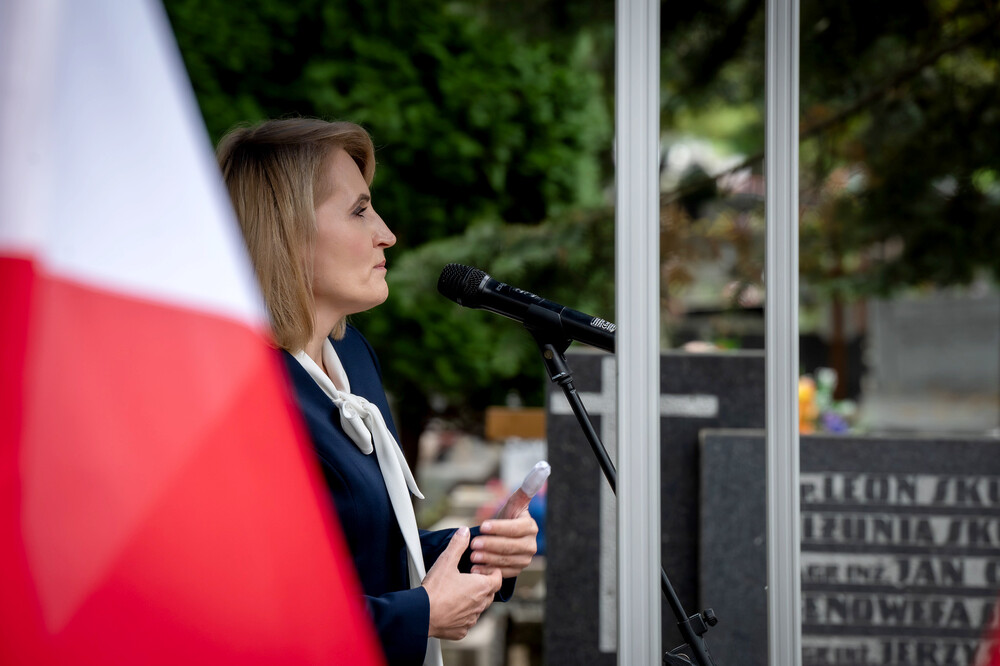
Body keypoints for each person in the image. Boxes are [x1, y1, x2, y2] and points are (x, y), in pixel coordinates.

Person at [216, 118, 538, 665]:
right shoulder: (244, 395)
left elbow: (370, 555)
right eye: (359, 211)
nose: (386, 233)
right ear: (286, 229)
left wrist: (481, 550)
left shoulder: (353, 359)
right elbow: (245, 613)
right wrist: (417, 617)